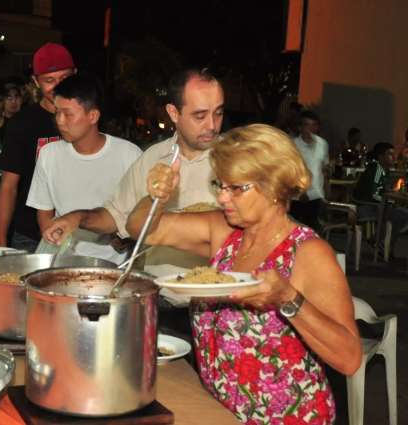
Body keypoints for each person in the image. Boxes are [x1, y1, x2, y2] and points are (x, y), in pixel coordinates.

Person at [127, 124, 361, 424]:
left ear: (275, 185)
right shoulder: (224, 231)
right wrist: (156, 197)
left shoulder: (308, 252)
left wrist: (288, 299)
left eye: (236, 188)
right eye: (220, 186)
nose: (223, 198)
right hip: (223, 411)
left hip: (290, 416)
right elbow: (141, 229)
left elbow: (350, 357)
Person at [43, 68, 224, 252]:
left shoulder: (235, 161)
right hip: (157, 279)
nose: (212, 125)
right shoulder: (153, 158)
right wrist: (77, 218)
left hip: (220, 279)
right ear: (173, 113)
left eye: (218, 113)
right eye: (200, 116)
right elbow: (115, 215)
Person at [26, 74, 141, 263]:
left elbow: (138, 215)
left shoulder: (128, 155)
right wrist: (53, 237)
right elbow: (44, 212)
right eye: (57, 112)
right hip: (60, 261)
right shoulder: (49, 154)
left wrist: (124, 239)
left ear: (93, 116)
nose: (60, 121)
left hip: (112, 264)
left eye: (68, 114)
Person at [0, 42, 76, 251]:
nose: (58, 86)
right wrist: (0, 240)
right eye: (49, 80)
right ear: (36, 82)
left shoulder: (88, 118)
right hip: (29, 234)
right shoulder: (22, 123)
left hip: (80, 232)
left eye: (65, 79)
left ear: (76, 75)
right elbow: (8, 186)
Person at [353, 142, 408, 257]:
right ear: (381, 157)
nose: (393, 157)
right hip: (365, 207)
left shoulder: (383, 170)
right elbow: (374, 194)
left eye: (394, 154)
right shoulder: (377, 169)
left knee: (400, 213)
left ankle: (380, 241)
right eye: (389, 154)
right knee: (401, 215)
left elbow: (380, 191)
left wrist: (389, 196)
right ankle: (383, 245)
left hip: (375, 205)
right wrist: (389, 200)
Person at [290, 110, 329, 231]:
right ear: (300, 127)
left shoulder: (323, 143)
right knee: (297, 230)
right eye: (307, 125)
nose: (310, 129)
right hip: (298, 196)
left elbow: (324, 169)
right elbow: (290, 171)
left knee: (314, 231)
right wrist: (300, 191)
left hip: (317, 195)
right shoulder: (293, 145)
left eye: (314, 125)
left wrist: (327, 191)